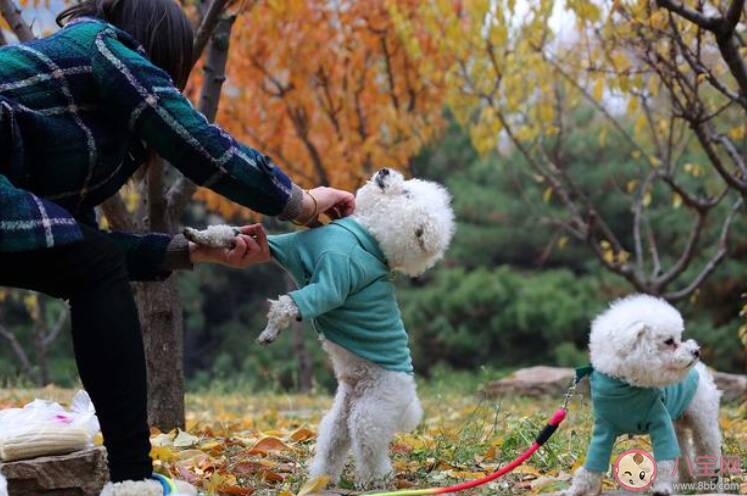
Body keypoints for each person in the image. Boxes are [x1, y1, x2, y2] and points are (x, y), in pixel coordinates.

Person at [0, 0, 355, 493]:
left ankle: (132, 478)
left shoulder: (68, 125)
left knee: (90, 265)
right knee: (93, 266)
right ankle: (132, 480)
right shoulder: (102, 45)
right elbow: (194, 140)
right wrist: (301, 202)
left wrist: (192, 250)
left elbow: (74, 250)